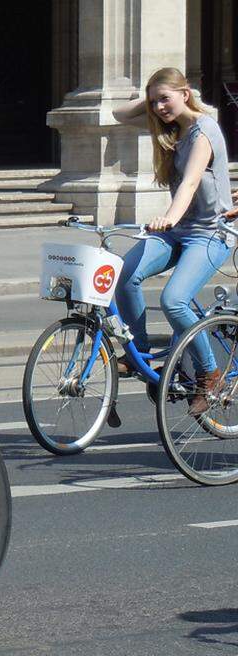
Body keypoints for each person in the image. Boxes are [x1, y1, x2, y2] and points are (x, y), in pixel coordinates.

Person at [112, 67, 234, 415]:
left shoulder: (204, 130)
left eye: (166, 99)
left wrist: (169, 217)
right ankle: (140, 354)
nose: (160, 108)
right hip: (178, 230)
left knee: (174, 299)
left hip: (210, 233)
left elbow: (191, 181)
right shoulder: (169, 129)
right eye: (155, 103)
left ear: (185, 93)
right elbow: (118, 114)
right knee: (126, 274)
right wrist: (150, 98)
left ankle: (210, 373)